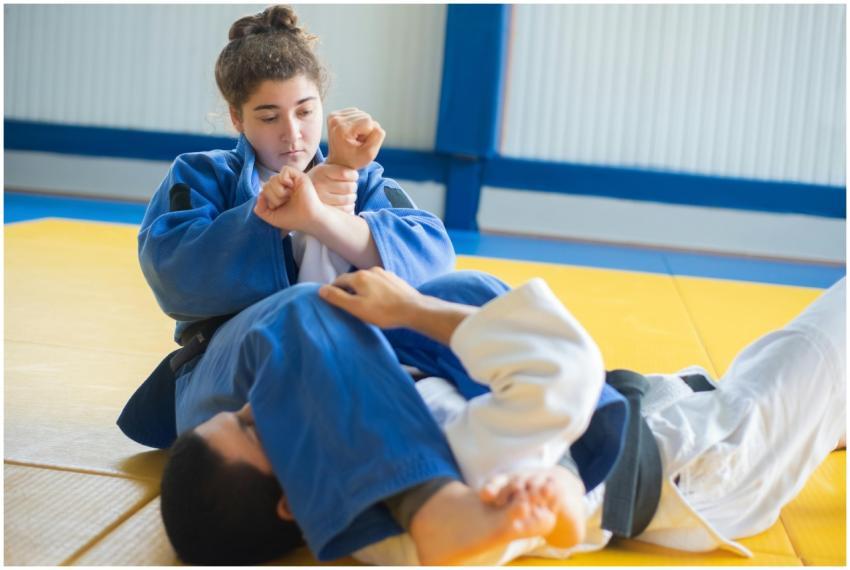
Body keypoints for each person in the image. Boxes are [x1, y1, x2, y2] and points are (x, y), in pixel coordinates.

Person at [158, 262, 845, 565]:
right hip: (702, 459)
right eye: (251, 426)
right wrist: (414, 312)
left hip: (665, 416)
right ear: (290, 506)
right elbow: (564, 372)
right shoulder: (438, 485)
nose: (255, 400)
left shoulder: (361, 450)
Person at [137, 4, 455, 349]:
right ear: (237, 118)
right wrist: (274, 217)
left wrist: (318, 216)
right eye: (269, 117)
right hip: (243, 357)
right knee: (306, 308)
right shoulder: (202, 174)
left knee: (475, 289)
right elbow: (175, 278)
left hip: (357, 351)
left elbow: (434, 267)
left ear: (322, 104)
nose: (293, 134)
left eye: (305, 111)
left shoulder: (359, 181)